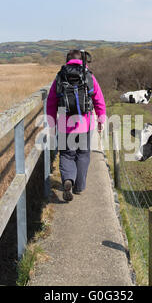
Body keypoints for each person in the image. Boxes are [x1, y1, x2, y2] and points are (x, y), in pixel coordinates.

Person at [46, 50, 106, 201]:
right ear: (83, 60)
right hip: (85, 124)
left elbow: (51, 101)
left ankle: (68, 180)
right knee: (83, 154)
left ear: (67, 60)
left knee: (66, 154)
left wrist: (51, 123)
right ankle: (79, 187)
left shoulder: (60, 76)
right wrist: (101, 120)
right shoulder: (88, 75)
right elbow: (99, 99)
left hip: (64, 125)